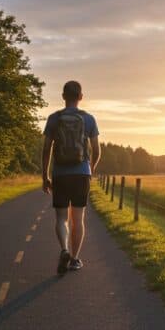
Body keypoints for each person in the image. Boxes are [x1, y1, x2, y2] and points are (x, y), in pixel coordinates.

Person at [42, 80, 101, 274]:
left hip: (60, 173)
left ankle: (64, 250)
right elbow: (97, 150)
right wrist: (90, 168)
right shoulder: (89, 119)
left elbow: (46, 149)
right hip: (81, 173)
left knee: (61, 218)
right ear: (81, 97)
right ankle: (75, 259)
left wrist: (45, 175)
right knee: (78, 218)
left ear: (63, 96)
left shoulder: (54, 118)